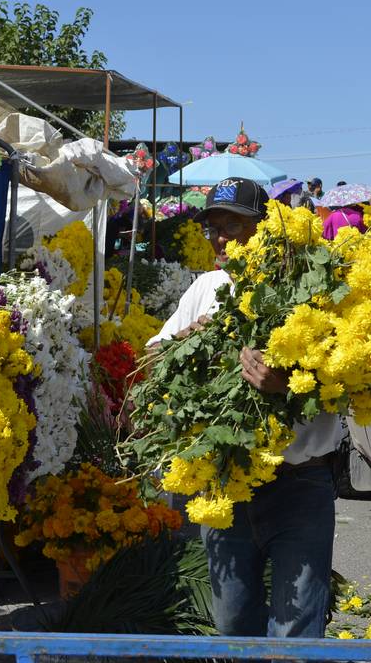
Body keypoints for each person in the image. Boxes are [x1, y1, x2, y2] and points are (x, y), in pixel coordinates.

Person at [146, 176, 341, 638]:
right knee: (233, 624)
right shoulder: (207, 287)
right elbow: (151, 357)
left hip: (300, 483)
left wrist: (287, 387)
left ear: (263, 227)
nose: (217, 238)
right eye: (212, 227)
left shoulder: (313, 285)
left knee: (296, 630)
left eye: (229, 226)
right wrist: (183, 341)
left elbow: (350, 385)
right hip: (224, 484)